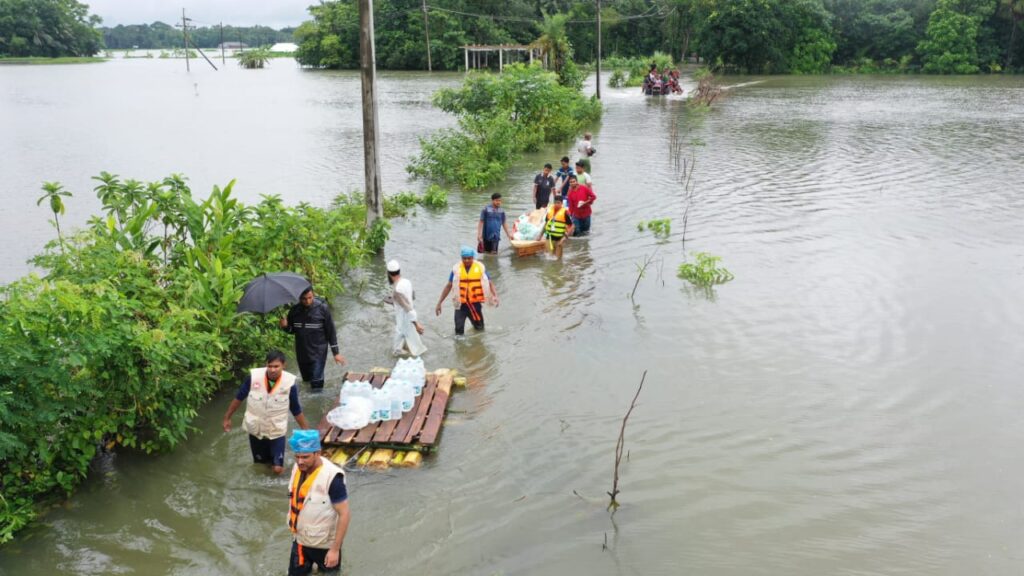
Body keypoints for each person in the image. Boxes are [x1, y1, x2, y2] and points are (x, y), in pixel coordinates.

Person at [222, 350, 311, 475]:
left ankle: (281, 483)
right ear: (266, 364)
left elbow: (295, 408)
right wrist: (227, 417)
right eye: (270, 366)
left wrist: (306, 430)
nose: (273, 370)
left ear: (283, 365)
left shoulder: (289, 383)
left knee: (277, 468)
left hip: (276, 430)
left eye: (276, 366)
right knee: (260, 465)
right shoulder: (253, 378)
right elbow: (239, 398)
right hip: (255, 428)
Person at [286, 429, 350, 576]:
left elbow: (344, 514)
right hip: (300, 541)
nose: (300, 461)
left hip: (324, 546)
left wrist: (334, 550)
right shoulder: (298, 468)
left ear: (318, 453)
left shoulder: (333, 477)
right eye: (297, 456)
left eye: (305, 457)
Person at [280, 287, 346, 390]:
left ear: (313, 295)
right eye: (304, 299)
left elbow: (331, 332)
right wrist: (285, 327)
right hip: (302, 352)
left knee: (316, 384)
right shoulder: (294, 311)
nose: (307, 301)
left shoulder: (323, 309)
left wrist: (336, 353)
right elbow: (292, 330)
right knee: (306, 381)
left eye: (310, 298)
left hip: (318, 352)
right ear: (299, 298)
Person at [435, 246, 499, 336]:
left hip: (475, 305)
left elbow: (490, 283)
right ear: (461, 258)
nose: (467, 261)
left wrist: (495, 296)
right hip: (460, 305)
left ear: (473, 257)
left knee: (480, 330)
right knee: (458, 332)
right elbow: (448, 286)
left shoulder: (480, 268)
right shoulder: (456, 269)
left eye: (469, 258)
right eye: (464, 258)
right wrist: (439, 303)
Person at [387, 259, 426, 357]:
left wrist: (417, 324)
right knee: (409, 337)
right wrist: (395, 301)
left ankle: (398, 353)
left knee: (400, 334)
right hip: (408, 314)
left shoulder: (397, 289)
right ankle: (404, 351)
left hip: (405, 316)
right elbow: (411, 297)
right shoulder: (407, 282)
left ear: (388, 274)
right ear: (399, 271)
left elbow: (407, 307)